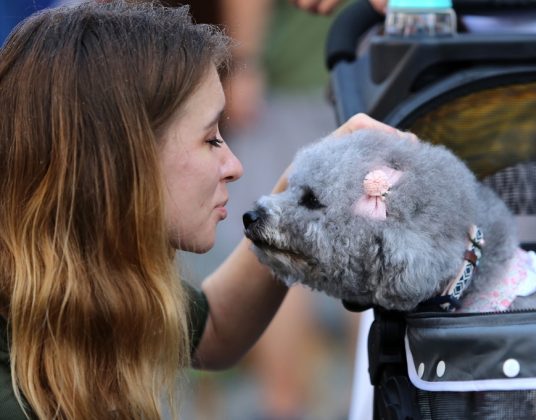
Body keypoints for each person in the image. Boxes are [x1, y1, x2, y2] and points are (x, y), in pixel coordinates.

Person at [0, 1, 402, 418]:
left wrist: (298, 194)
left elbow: (214, 329)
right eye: (211, 138)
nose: (234, 167)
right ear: (121, 159)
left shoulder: (74, 270)